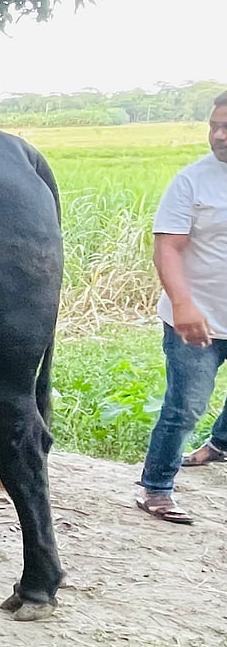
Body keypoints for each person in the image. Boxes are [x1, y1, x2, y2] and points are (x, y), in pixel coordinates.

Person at [136, 90, 227, 524]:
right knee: (185, 406)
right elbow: (167, 249)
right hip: (197, 322)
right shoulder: (193, 181)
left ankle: (220, 446)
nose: (218, 135)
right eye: (214, 126)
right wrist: (184, 305)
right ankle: (156, 487)